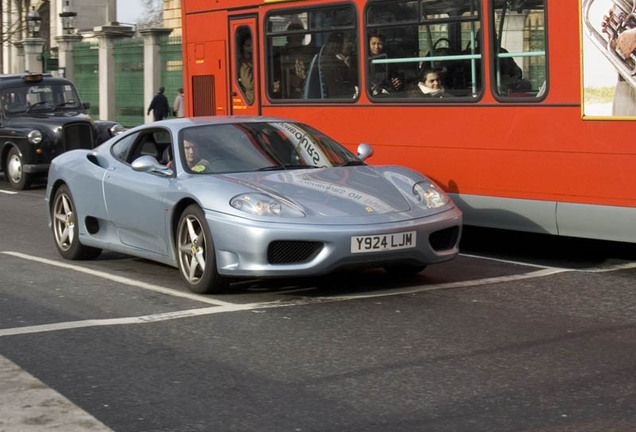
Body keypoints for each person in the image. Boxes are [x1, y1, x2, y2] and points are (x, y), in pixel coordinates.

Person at [272, 22, 313, 99]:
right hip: (288, 94)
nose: (297, 38)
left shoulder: (307, 52)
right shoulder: (281, 54)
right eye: (294, 36)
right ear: (289, 37)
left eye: (300, 36)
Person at [320, 31, 358, 99]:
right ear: (339, 45)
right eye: (347, 42)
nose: (350, 45)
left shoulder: (349, 60)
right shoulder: (329, 63)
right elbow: (337, 88)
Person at [368, 31, 403, 96]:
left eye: (379, 44)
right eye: (373, 43)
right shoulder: (364, 60)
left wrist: (397, 82)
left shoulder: (388, 60)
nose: (376, 47)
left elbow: (396, 77)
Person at [238, 33, 255, 104]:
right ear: (243, 47)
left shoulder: (254, 60)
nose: (251, 48)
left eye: (252, 45)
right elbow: (249, 84)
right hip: (251, 98)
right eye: (248, 46)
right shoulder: (243, 64)